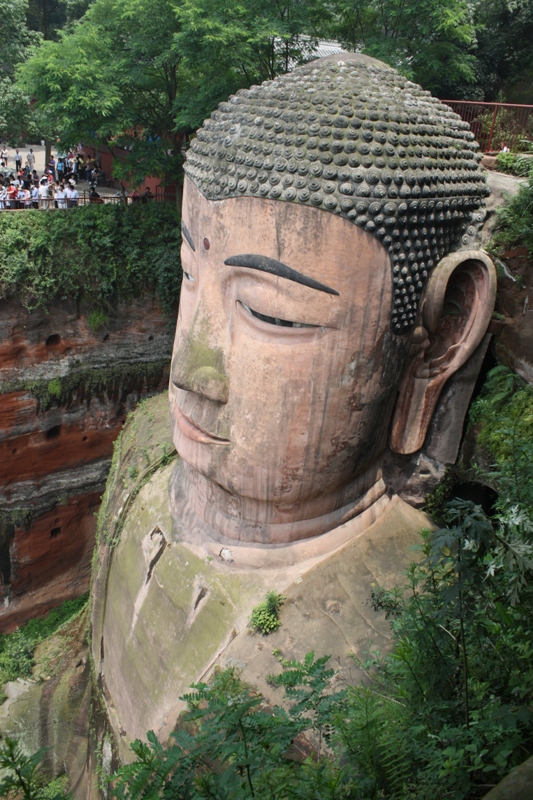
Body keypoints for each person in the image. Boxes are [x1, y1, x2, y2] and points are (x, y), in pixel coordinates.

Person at [93, 54, 498, 743]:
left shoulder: (407, 644)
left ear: (439, 339)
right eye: (190, 276)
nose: (190, 372)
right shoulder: (143, 454)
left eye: (273, 315)